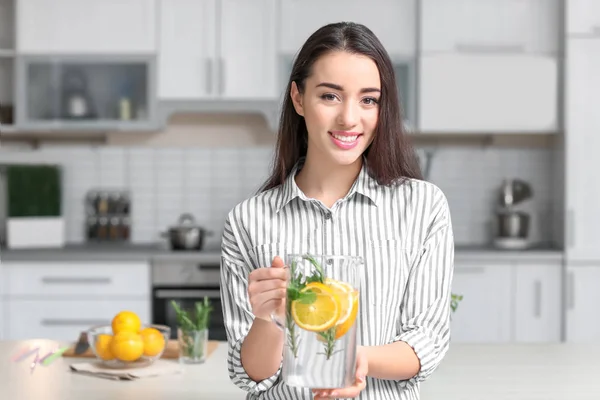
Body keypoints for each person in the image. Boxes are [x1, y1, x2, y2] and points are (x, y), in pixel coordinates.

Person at [219, 21, 455, 400]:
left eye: (368, 99)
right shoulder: (248, 221)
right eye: (330, 96)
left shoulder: (422, 207)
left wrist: (355, 360)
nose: (349, 118)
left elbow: (426, 340)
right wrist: (266, 319)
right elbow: (251, 376)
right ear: (298, 98)